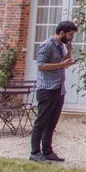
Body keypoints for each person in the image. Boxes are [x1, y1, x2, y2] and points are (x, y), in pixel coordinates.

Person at [30, 20, 78, 163]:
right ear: (61, 32)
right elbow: (41, 65)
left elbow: (65, 62)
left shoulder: (61, 47)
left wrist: (69, 50)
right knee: (41, 121)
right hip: (47, 89)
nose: (70, 38)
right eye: (69, 35)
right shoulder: (47, 45)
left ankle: (47, 150)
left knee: (52, 123)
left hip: (59, 89)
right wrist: (61, 65)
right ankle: (35, 152)